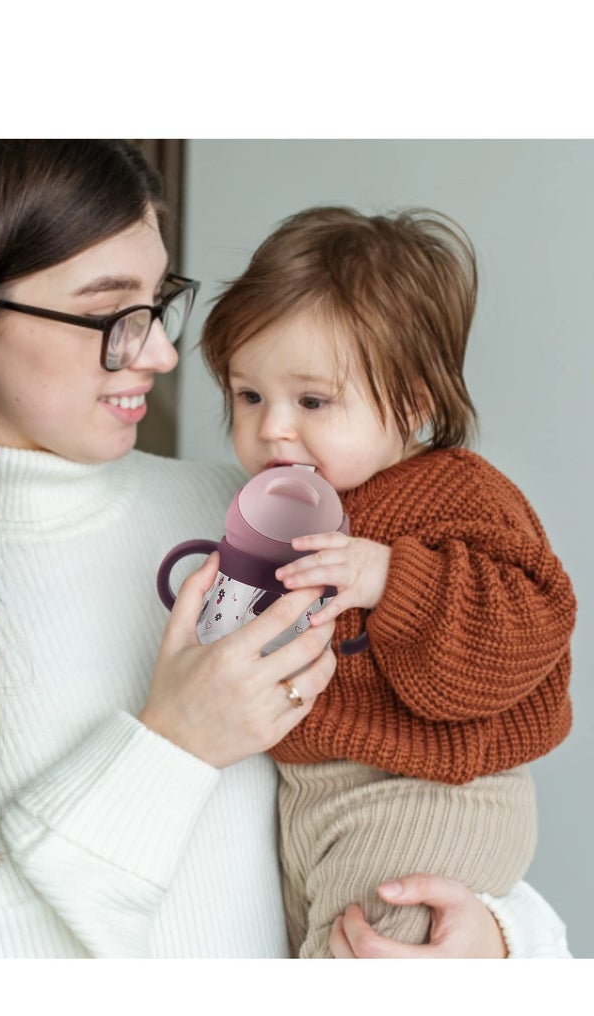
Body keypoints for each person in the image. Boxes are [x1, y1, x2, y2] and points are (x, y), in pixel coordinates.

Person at [0, 143, 569, 959]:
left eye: (160, 302)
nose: (163, 355)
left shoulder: (261, 517)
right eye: (110, 310)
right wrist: (173, 745)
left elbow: (414, 817)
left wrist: (500, 947)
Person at [200, 205, 576, 957]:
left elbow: (530, 628)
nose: (272, 427)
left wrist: (394, 580)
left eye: (311, 401)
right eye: (249, 396)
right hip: (315, 804)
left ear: (411, 404)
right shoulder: (267, 510)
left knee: (366, 954)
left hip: (430, 796)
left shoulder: (459, 494)